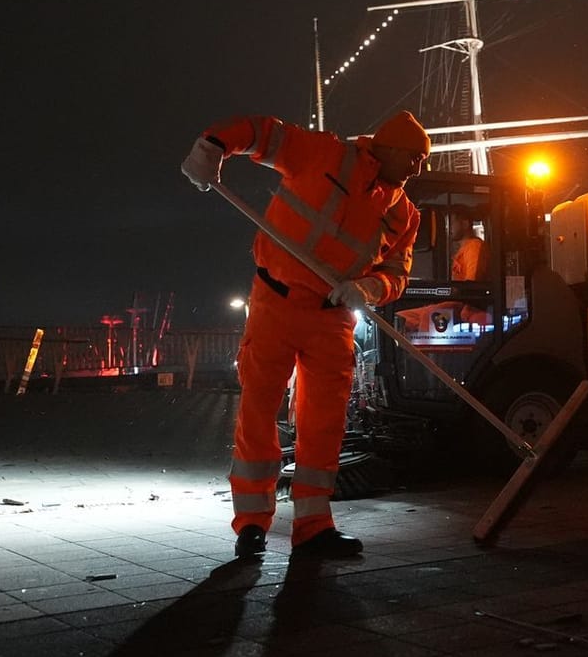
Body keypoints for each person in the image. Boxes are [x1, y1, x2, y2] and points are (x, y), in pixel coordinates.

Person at [181, 110, 427, 559]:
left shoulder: (404, 214)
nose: (419, 168)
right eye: (415, 158)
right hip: (274, 301)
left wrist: (368, 288)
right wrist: (212, 144)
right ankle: (251, 523)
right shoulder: (324, 153)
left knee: (325, 422)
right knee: (259, 410)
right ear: (389, 147)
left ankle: (314, 526)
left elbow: (397, 274)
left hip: (332, 317)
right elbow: (261, 133)